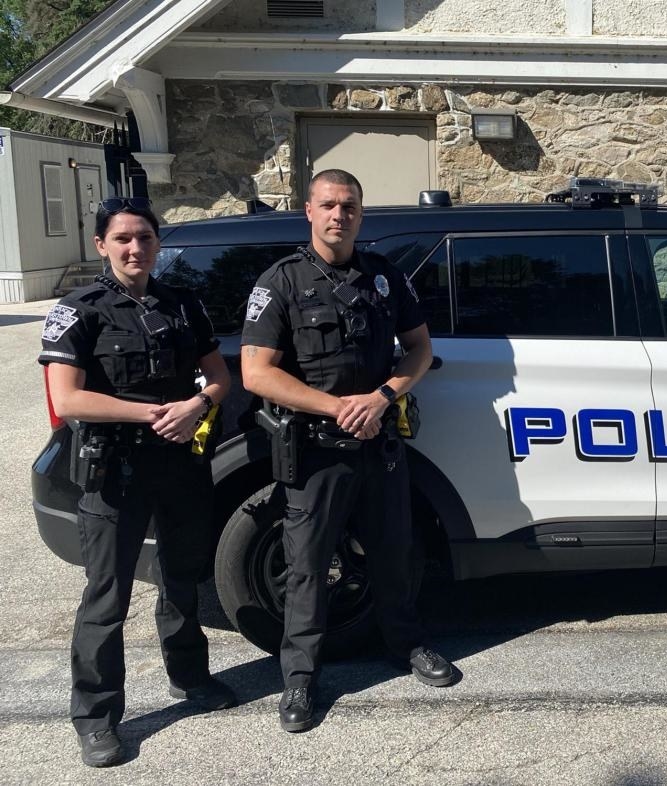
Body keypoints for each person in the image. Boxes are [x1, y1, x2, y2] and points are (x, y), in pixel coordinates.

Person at [240, 169, 454, 733]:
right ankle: (299, 679)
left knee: (394, 551)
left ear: (362, 212)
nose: (340, 215)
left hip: (378, 442)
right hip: (315, 450)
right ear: (308, 210)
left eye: (351, 206)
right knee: (307, 567)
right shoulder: (280, 282)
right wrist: (335, 407)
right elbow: (256, 373)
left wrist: (383, 396)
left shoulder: (384, 277)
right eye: (329, 205)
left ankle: (405, 646)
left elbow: (419, 349)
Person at [39, 198, 237, 767]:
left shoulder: (180, 303)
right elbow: (68, 397)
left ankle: (190, 678)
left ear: (156, 244)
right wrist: (153, 414)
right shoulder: (78, 310)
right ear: (101, 244)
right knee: (107, 597)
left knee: (181, 579)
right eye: (122, 238)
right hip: (115, 471)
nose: (135, 248)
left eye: (145, 238)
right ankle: (97, 718)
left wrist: (198, 403)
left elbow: (219, 375)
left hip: (180, 466)